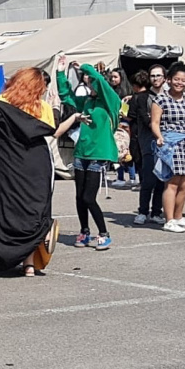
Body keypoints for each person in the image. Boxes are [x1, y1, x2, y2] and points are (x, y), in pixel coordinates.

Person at [0, 68, 58, 276]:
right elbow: (52, 127)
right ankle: (29, 263)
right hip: (36, 163)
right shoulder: (42, 107)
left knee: (4, 209)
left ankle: (1, 257)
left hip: (6, 165)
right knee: (32, 209)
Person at [56, 56, 119, 250]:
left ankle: (104, 233)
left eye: (90, 82)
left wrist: (83, 67)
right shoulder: (88, 102)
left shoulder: (110, 101)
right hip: (82, 151)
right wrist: (60, 72)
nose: (88, 84)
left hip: (99, 154)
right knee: (79, 196)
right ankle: (84, 231)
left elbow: (99, 80)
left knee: (89, 198)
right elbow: (66, 96)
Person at [151, 63, 185, 233]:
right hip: (170, 143)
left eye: (183, 80)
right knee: (172, 182)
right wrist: (159, 137)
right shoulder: (160, 99)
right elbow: (155, 123)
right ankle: (169, 219)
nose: (180, 83)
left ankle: (179, 216)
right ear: (169, 80)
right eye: (176, 79)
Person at [129, 70, 166, 225]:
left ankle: (156, 212)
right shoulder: (141, 98)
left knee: (161, 180)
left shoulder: (169, 96)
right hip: (148, 142)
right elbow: (145, 119)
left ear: (165, 78)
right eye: (153, 76)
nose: (156, 78)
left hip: (166, 143)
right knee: (148, 179)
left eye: (159, 75)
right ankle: (143, 211)